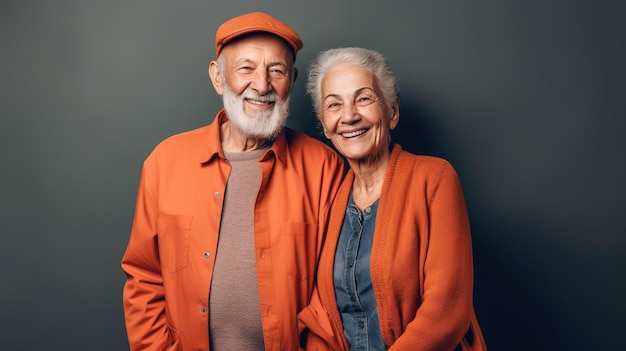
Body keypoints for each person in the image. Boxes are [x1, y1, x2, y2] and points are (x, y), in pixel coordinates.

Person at [121, 12, 344, 351]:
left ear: (292, 80)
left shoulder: (325, 168)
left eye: (277, 71)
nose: (262, 84)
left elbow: (334, 291)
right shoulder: (164, 162)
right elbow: (143, 280)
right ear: (218, 77)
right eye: (246, 68)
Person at [297, 47, 487, 350]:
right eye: (334, 105)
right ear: (325, 127)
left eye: (363, 99)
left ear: (392, 112)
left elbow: (447, 310)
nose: (349, 115)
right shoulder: (328, 199)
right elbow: (322, 318)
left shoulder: (434, 178)